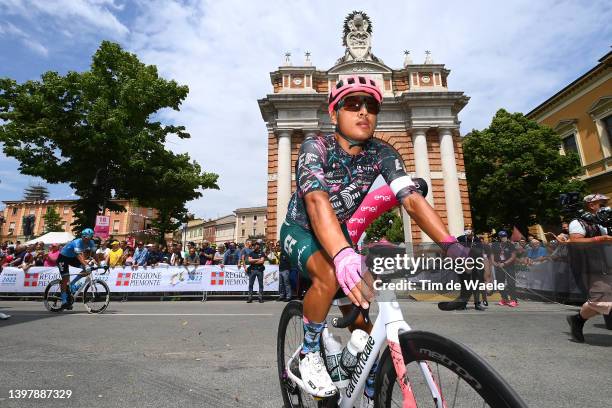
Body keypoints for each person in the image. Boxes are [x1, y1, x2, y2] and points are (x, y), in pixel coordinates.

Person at [279, 75, 467, 399]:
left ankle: (355, 368)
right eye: (352, 104)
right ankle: (308, 355)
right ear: (334, 112)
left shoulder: (382, 153)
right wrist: (341, 255)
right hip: (303, 230)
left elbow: (410, 198)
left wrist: (450, 244)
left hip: (340, 238)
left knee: (363, 315)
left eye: (372, 105)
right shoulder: (316, 146)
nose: (363, 111)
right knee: (327, 272)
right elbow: (316, 201)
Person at [566, 193, 612, 342]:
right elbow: (575, 241)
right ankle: (578, 320)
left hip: (607, 264)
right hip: (590, 266)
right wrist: (600, 238)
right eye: (602, 204)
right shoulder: (577, 222)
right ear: (591, 205)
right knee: (601, 300)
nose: (604, 207)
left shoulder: (602, 223)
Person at [57, 228, 97, 310]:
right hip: (63, 258)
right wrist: (86, 265)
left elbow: (94, 254)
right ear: (82, 236)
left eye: (89, 238)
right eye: (86, 237)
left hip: (72, 258)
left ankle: (71, 284)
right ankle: (64, 301)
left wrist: (100, 264)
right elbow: (79, 256)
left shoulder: (91, 242)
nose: (87, 240)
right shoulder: (77, 242)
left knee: (86, 270)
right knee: (65, 278)